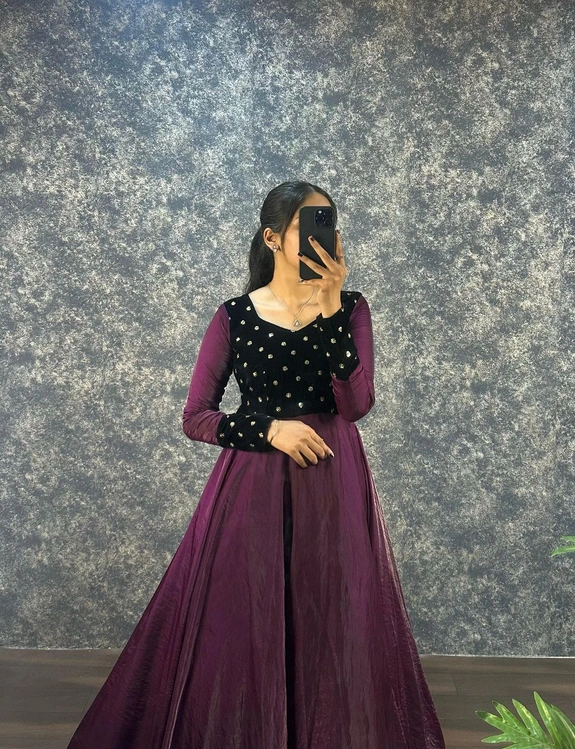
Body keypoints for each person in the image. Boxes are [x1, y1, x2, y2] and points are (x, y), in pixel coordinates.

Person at [66, 181, 445, 748]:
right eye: (309, 226)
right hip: (252, 486)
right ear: (272, 238)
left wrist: (331, 305)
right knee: (244, 621)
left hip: (333, 484)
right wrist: (270, 429)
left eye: (330, 224)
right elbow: (196, 416)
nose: (325, 238)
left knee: (335, 620)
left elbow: (356, 405)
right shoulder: (234, 317)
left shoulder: (351, 308)